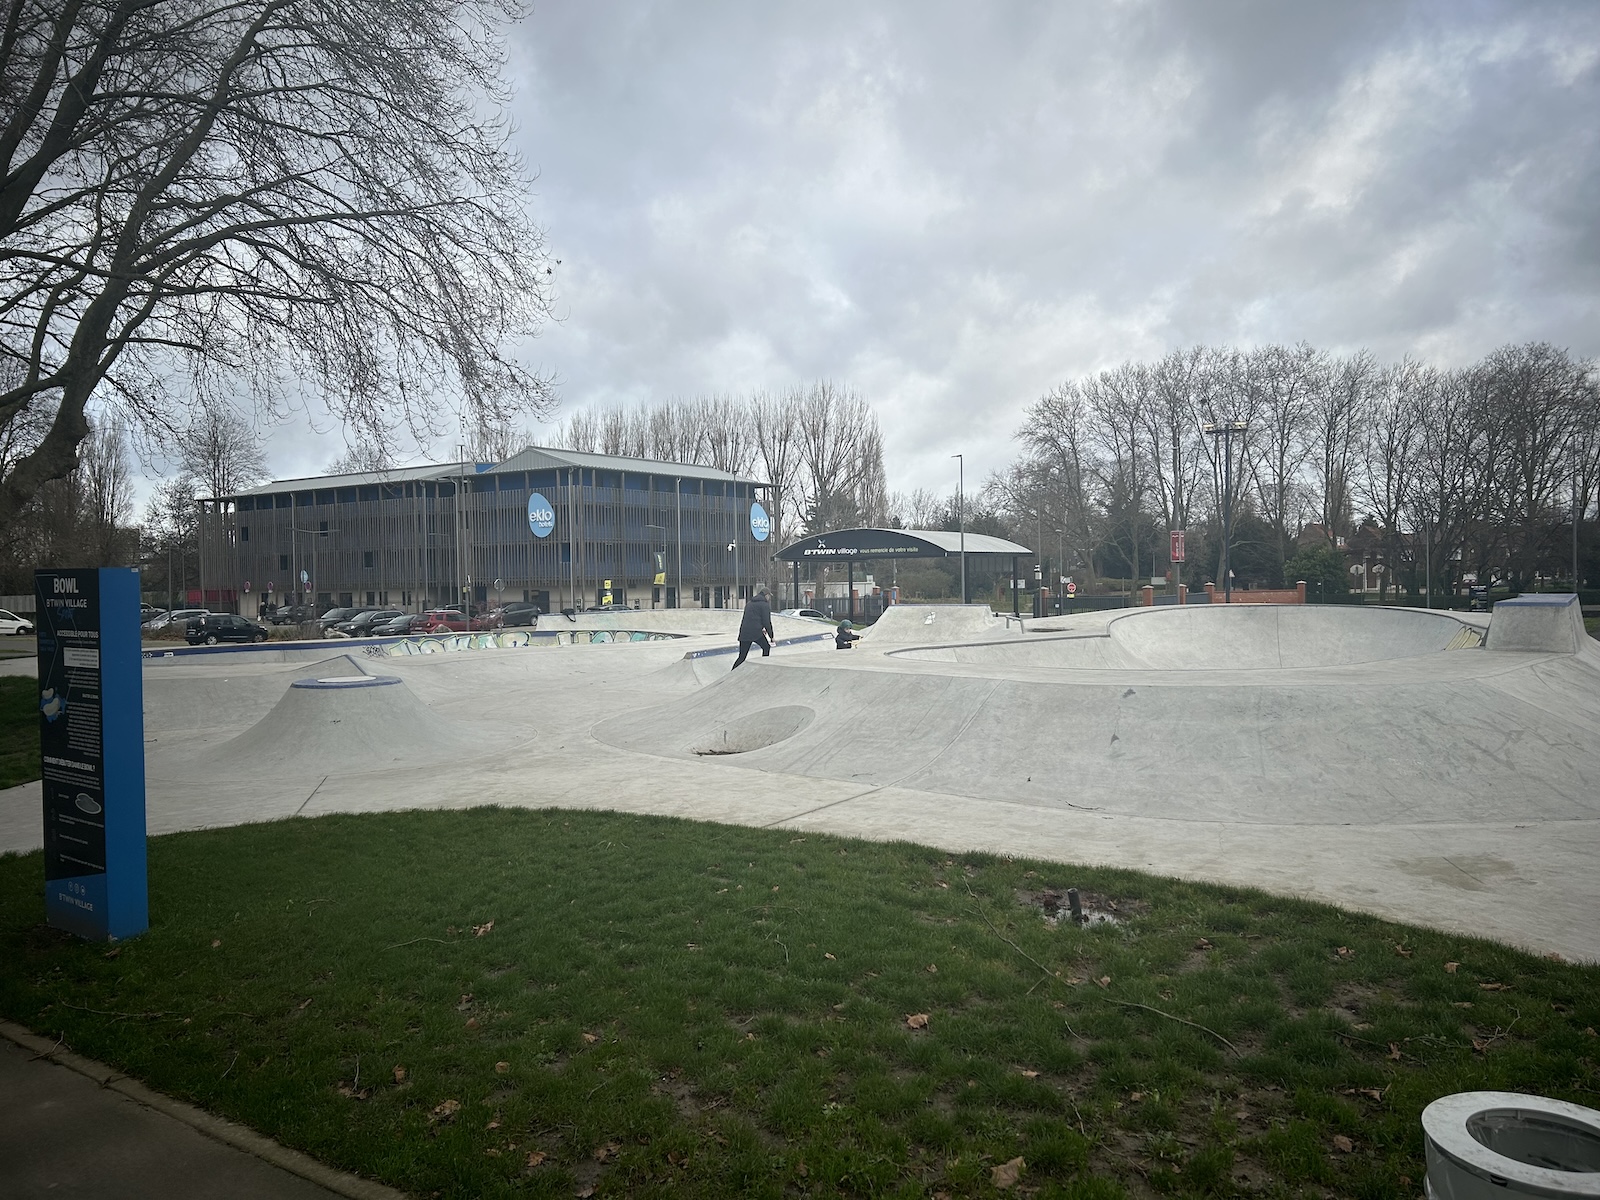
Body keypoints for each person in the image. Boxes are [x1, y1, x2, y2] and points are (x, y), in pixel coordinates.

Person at [731, 588, 774, 669]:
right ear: (766, 595)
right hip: (756, 633)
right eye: (769, 596)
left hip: (744, 632)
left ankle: (732, 672)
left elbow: (751, 619)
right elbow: (767, 622)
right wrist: (771, 636)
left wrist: (761, 628)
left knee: (742, 656)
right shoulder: (764, 605)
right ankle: (763, 667)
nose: (769, 598)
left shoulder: (749, 603)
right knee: (766, 647)